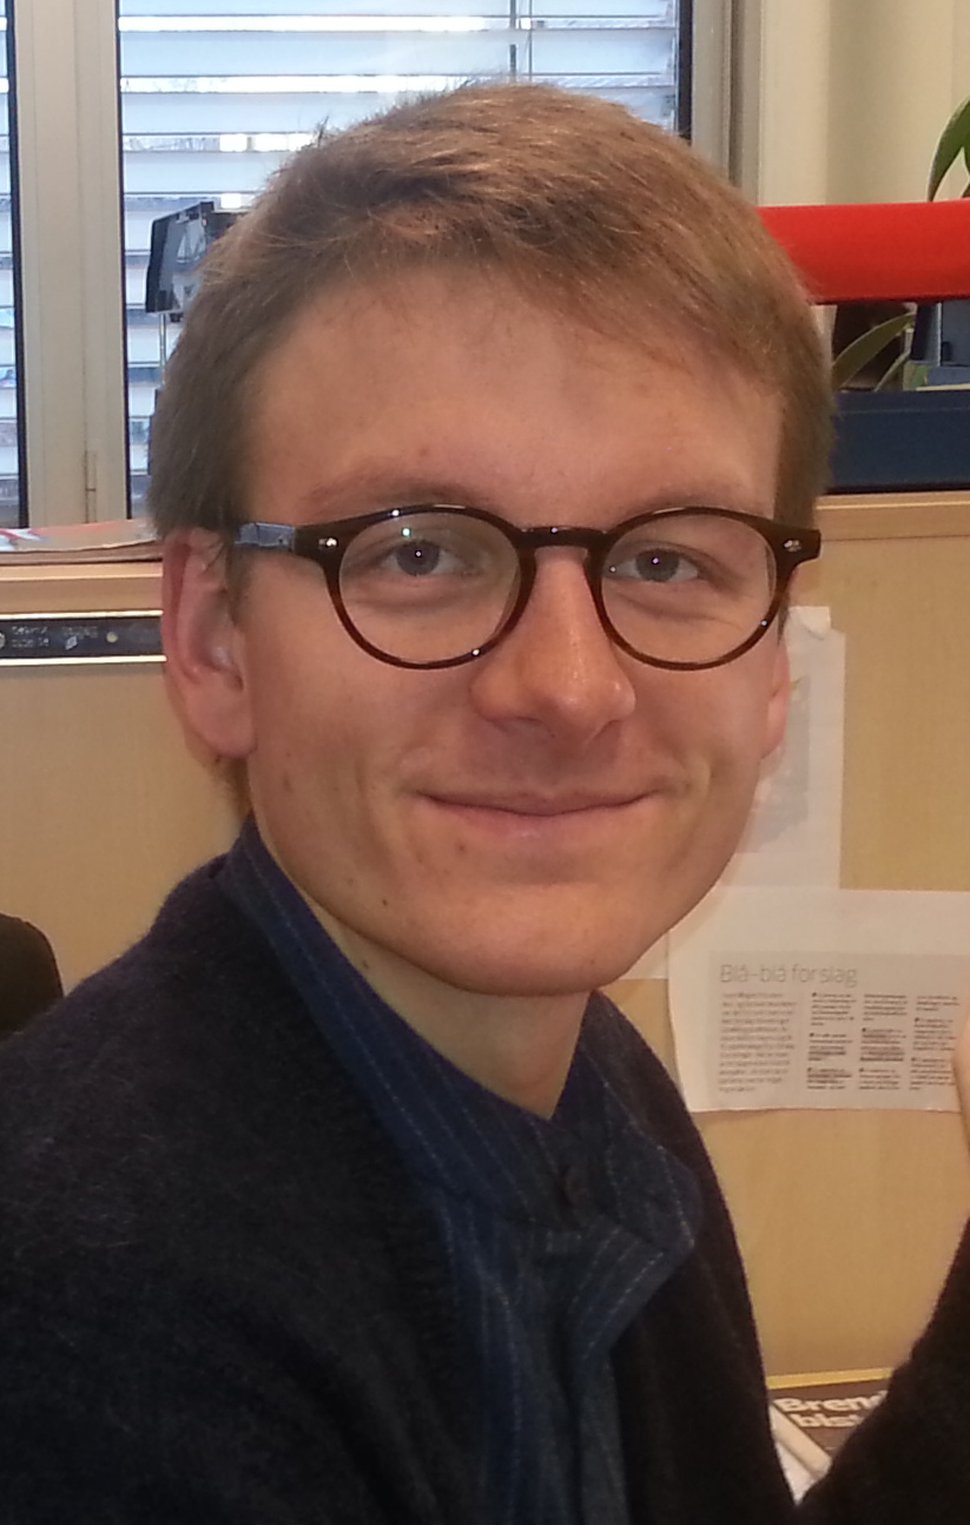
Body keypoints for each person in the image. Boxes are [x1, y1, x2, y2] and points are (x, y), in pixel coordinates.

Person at [0, 83, 967, 1525]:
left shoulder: (583, 1087)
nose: (567, 687)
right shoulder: (105, 1328)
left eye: (668, 560)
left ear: (772, 661)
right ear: (213, 641)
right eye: (419, 550)